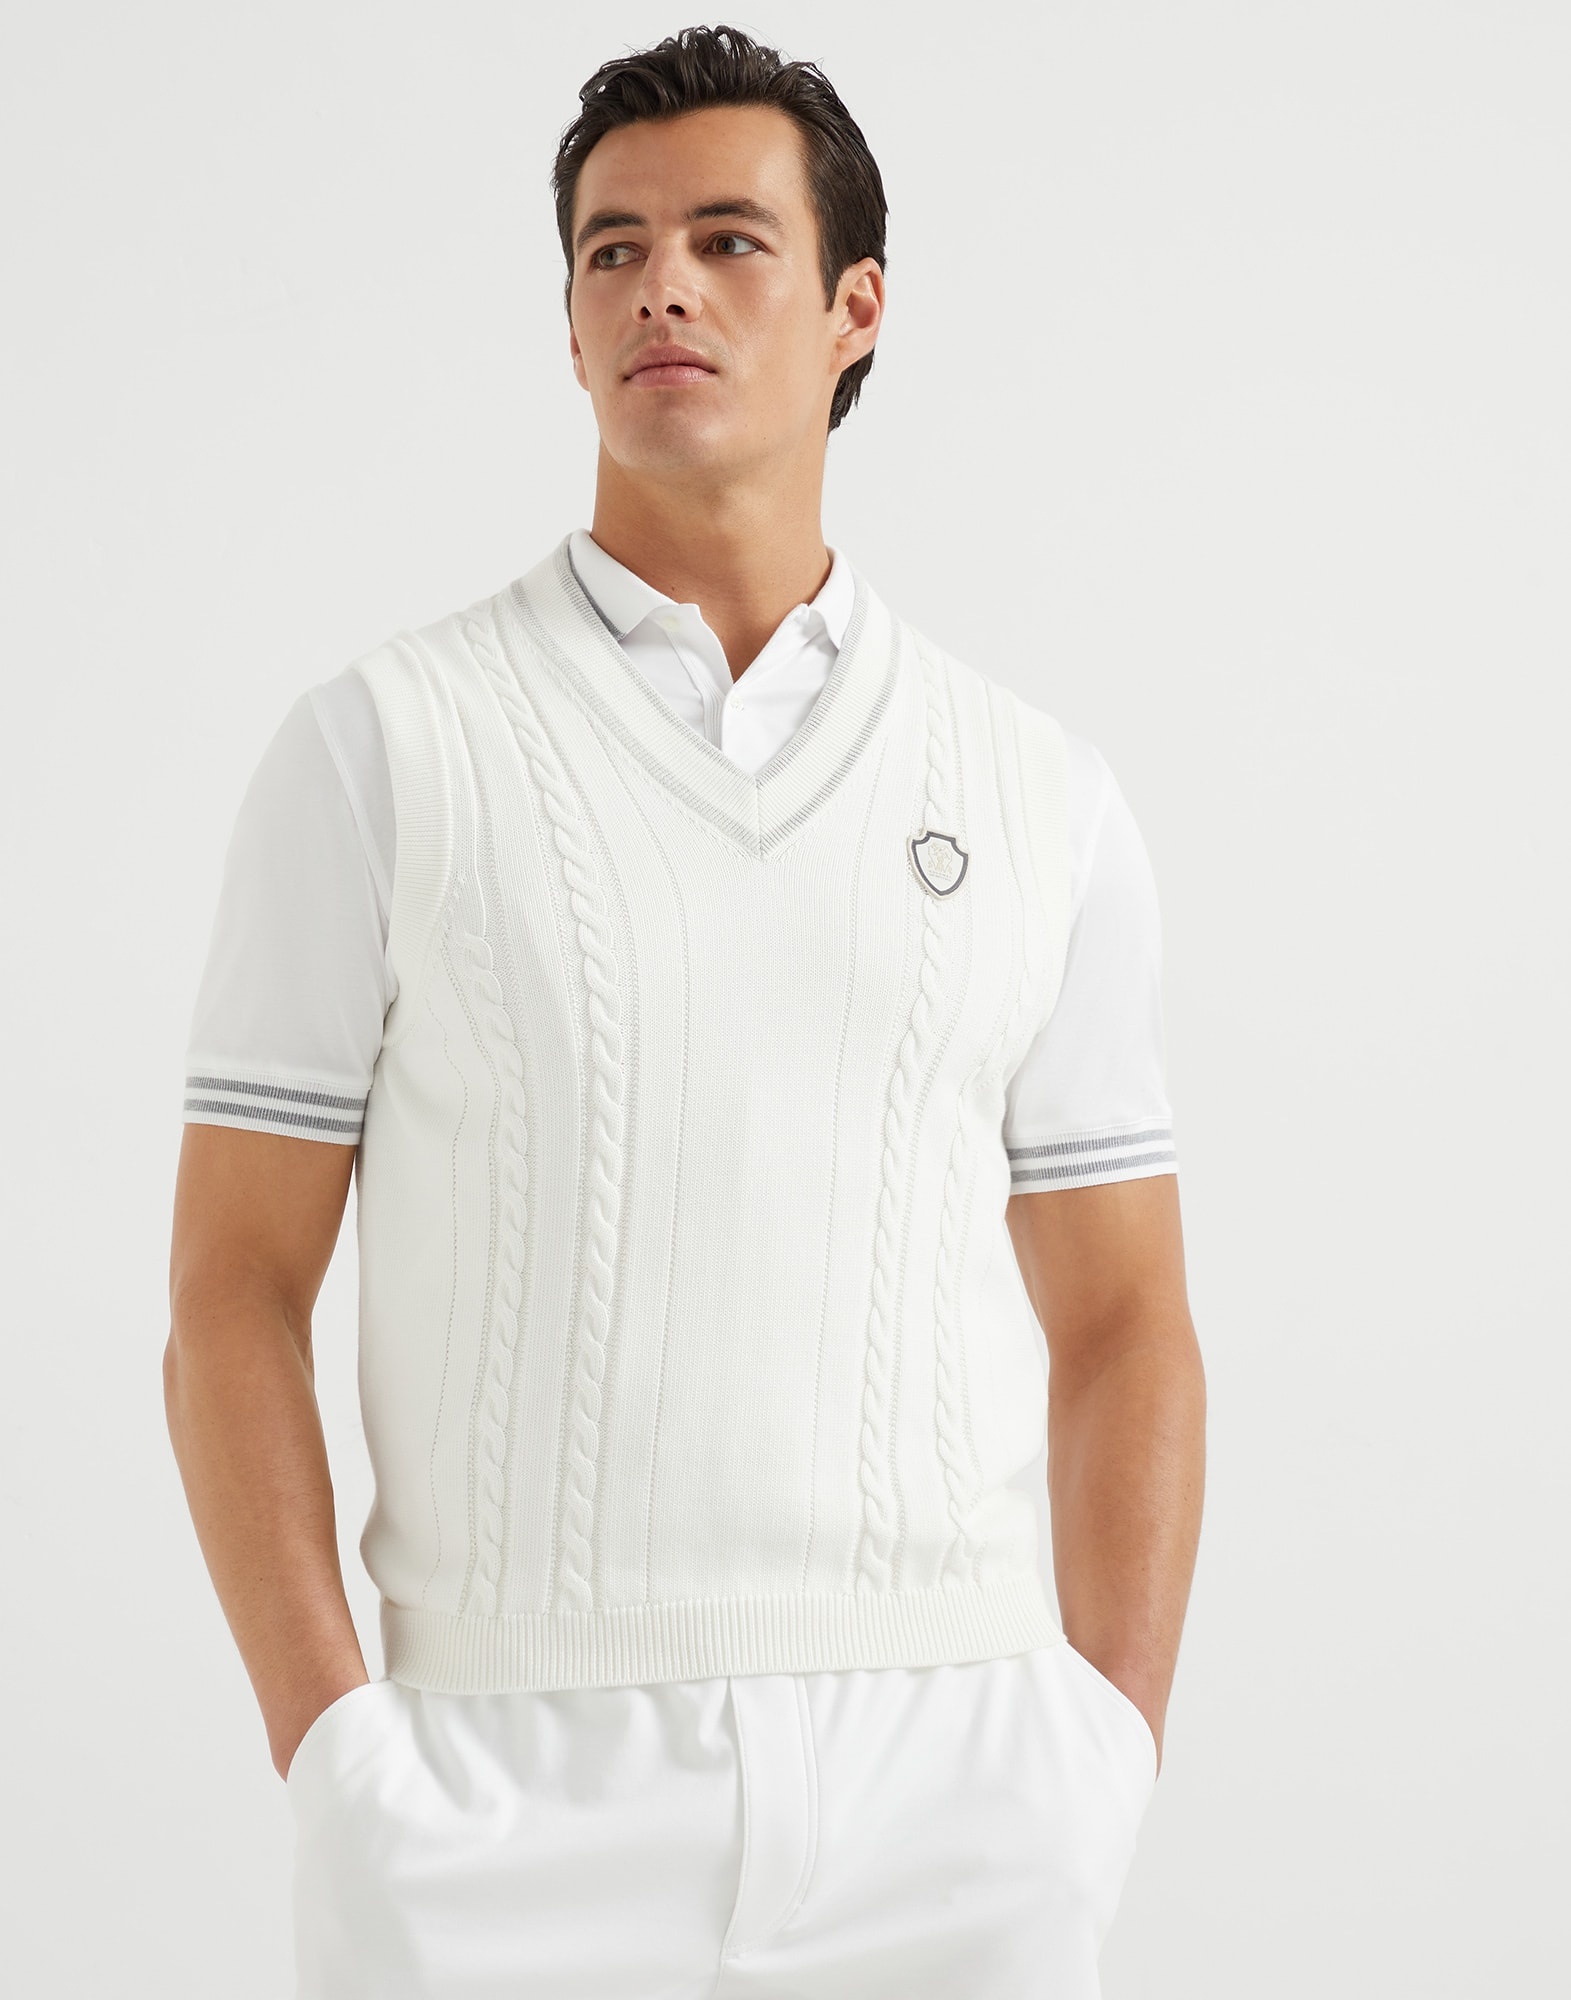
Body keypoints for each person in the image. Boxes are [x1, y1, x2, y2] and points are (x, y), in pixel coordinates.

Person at [164, 22, 1205, 1998]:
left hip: (956, 1791)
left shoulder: (1034, 794)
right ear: (569, 327)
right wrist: (340, 1761)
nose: (662, 286)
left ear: (854, 308)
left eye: (730, 241)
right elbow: (230, 1290)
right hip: (495, 1796)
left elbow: (1128, 1316)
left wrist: (1101, 1748)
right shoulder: (383, 753)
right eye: (613, 249)